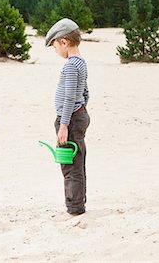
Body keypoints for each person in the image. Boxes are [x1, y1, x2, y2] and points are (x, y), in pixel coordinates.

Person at [45, 18, 91, 216]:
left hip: (70, 118)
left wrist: (64, 124)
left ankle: (75, 208)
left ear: (64, 42)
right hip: (79, 115)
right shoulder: (81, 63)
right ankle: (78, 203)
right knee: (78, 162)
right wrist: (82, 110)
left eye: (54, 45)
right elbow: (86, 92)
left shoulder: (71, 66)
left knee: (70, 166)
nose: (55, 50)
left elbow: (70, 96)